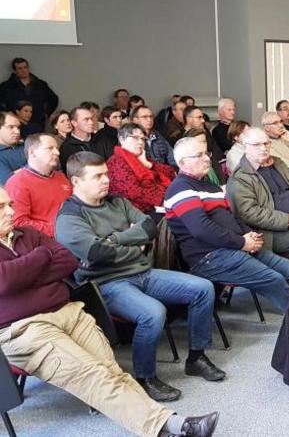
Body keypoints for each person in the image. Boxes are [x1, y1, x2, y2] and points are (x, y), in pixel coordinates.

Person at [0, 187, 220, 437]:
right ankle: (172, 425)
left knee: (111, 370)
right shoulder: (56, 227)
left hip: (69, 312)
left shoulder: (26, 233)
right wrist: (42, 257)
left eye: (10, 204)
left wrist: (25, 276)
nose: (10, 211)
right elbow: (5, 281)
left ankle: (159, 425)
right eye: (1, 207)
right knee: (93, 373)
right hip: (25, 329)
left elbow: (67, 261)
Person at [55, 152, 225, 403]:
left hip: (142, 271)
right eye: (98, 176)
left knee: (203, 288)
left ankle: (196, 358)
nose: (106, 180)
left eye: (106, 174)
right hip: (106, 283)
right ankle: (145, 378)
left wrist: (113, 239)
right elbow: (96, 253)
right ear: (76, 181)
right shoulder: (69, 216)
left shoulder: (117, 201)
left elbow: (149, 227)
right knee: (153, 313)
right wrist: (132, 243)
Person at [165, 137, 289, 313]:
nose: (207, 158)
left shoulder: (210, 186)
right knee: (275, 279)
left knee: (287, 268)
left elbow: (231, 217)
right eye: (199, 155)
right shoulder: (180, 188)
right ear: (182, 162)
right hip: (210, 256)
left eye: (207, 153)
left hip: (233, 246)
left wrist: (250, 236)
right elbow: (201, 229)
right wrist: (242, 242)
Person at [226, 127, 289, 264]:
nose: (263, 148)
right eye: (257, 145)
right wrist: (287, 220)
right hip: (272, 231)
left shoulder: (278, 163)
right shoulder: (240, 177)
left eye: (266, 143)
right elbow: (249, 213)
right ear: (245, 146)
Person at [5, 133, 72, 237]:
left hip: (75, 231)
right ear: (32, 153)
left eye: (57, 148)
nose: (57, 152)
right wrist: (57, 230)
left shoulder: (61, 177)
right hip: (47, 240)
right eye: (50, 148)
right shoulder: (17, 183)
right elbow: (19, 222)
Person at [106, 123, 176, 216]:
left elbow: (171, 173)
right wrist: (165, 199)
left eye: (143, 139)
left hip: (158, 206)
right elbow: (134, 192)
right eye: (135, 137)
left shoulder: (142, 159)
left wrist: (149, 165)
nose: (140, 142)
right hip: (136, 212)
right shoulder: (116, 161)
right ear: (122, 139)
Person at [0, 57, 58, 128]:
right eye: (20, 68)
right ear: (15, 71)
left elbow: (53, 99)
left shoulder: (40, 84)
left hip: (37, 122)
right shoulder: (6, 86)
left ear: (28, 68)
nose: (24, 70)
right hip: (16, 124)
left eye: (25, 67)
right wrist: (9, 115)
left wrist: (45, 114)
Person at [0, 112, 26, 185]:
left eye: (18, 127)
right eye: (11, 127)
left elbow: (55, 167)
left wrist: (17, 172)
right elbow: (9, 182)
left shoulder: (25, 145)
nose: (17, 132)